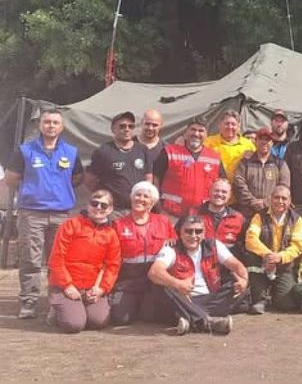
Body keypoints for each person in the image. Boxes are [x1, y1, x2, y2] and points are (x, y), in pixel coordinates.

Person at [4, 108, 84, 319]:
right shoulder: (25, 150)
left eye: (55, 122)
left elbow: (77, 178)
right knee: (30, 259)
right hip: (32, 213)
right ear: (40, 125)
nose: (51, 126)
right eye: (47, 122)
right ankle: (28, 301)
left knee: (58, 260)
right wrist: (32, 191)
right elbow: (11, 177)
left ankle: (54, 302)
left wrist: (59, 189)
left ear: (62, 126)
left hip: (61, 214)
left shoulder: (71, 151)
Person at [148, 214, 248, 335]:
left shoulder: (214, 245)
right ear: (179, 232)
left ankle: (189, 318)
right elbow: (154, 272)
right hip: (184, 299)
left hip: (211, 298)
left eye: (198, 231)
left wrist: (243, 281)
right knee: (160, 286)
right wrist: (178, 284)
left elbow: (237, 265)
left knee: (239, 283)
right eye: (188, 231)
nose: (193, 236)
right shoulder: (171, 249)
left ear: (204, 233)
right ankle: (207, 321)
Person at [47, 190, 121, 333]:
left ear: (110, 209)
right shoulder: (71, 225)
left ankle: (77, 309)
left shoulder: (111, 234)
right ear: (88, 205)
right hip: (66, 285)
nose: (98, 208)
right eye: (95, 203)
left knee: (99, 321)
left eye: (104, 205)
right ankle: (56, 311)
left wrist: (101, 290)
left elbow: (113, 265)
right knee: (74, 325)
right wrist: (67, 285)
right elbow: (56, 257)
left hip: (91, 287)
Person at [111, 182, 176, 325]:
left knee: (149, 316)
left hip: (153, 280)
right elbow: (111, 257)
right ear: (131, 198)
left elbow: (175, 247)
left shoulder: (164, 222)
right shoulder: (118, 224)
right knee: (120, 318)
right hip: (128, 281)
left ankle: (143, 306)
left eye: (146, 196)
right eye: (137, 195)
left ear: (152, 203)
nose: (140, 199)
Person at [243, 185, 302, 314]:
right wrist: (268, 255)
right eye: (277, 197)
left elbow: (297, 246)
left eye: (284, 198)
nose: (280, 201)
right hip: (262, 264)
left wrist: (280, 257)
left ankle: (276, 297)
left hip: (284, 265)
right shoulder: (259, 217)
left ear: (289, 201)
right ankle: (261, 299)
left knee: (286, 304)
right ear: (270, 198)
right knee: (251, 259)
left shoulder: (297, 219)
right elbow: (250, 239)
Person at [154, 118, 225, 219]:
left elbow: (223, 184)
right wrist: (158, 208)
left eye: (201, 131)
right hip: (170, 214)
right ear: (186, 133)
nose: (196, 134)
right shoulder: (169, 152)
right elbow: (155, 179)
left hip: (202, 216)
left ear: (206, 135)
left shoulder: (214, 157)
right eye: (193, 129)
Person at [85, 111, 153, 216]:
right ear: (113, 129)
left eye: (130, 126)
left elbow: (148, 178)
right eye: (122, 126)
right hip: (113, 211)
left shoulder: (142, 150)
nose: (127, 129)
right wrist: (104, 197)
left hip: (137, 209)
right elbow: (90, 180)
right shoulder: (103, 151)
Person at [232, 127, 290, 221]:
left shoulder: (280, 164)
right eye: (261, 139)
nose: (264, 142)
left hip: (271, 212)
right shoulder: (245, 162)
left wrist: (266, 202)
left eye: (267, 140)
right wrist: (253, 202)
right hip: (247, 213)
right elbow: (239, 184)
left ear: (272, 142)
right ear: (255, 141)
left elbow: (284, 186)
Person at [203, 110, 256, 183]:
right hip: (216, 189)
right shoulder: (208, 142)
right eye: (227, 123)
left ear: (238, 126)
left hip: (239, 189)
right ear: (219, 125)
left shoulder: (248, 145)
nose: (230, 127)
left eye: (233, 124)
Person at [195, 178, 246, 251]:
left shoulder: (238, 218)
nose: (219, 194)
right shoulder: (194, 213)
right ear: (209, 192)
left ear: (229, 195)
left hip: (227, 260)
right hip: (200, 258)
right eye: (216, 191)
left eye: (224, 192)